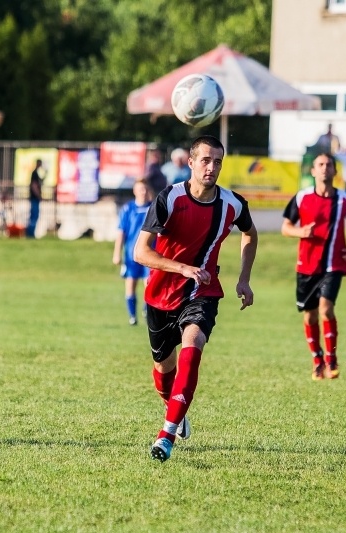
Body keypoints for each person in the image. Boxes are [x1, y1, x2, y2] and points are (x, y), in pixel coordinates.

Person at [134, 135, 258, 463]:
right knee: (163, 368)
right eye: (205, 160)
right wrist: (181, 267)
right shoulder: (169, 198)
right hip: (160, 295)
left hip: (202, 292)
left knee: (193, 342)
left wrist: (243, 278)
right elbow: (141, 251)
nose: (212, 167)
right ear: (191, 162)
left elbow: (250, 232)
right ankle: (174, 405)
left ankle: (167, 434)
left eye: (217, 161)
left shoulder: (232, 204)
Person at [281, 152, 346, 381]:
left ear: (335, 171)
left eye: (329, 164)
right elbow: (286, 227)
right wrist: (301, 232)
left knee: (326, 309)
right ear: (313, 171)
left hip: (333, 264)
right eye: (321, 164)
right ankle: (317, 360)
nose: (325, 168)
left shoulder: (345, 200)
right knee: (310, 317)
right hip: (306, 266)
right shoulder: (302, 197)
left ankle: (331, 359)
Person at [112, 179, 152, 325]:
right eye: (140, 189)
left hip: (150, 255)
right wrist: (117, 253)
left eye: (145, 189)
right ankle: (132, 316)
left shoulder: (153, 208)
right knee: (130, 284)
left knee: (149, 285)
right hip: (131, 255)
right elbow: (121, 232)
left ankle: (147, 311)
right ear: (134, 191)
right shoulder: (128, 209)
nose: (143, 192)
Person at [27, 159, 43, 238]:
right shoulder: (34, 173)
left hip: (35, 198)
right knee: (34, 216)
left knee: (34, 216)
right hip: (34, 198)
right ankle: (30, 233)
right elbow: (34, 186)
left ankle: (31, 233)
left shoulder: (36, 173)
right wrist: (38, 196)